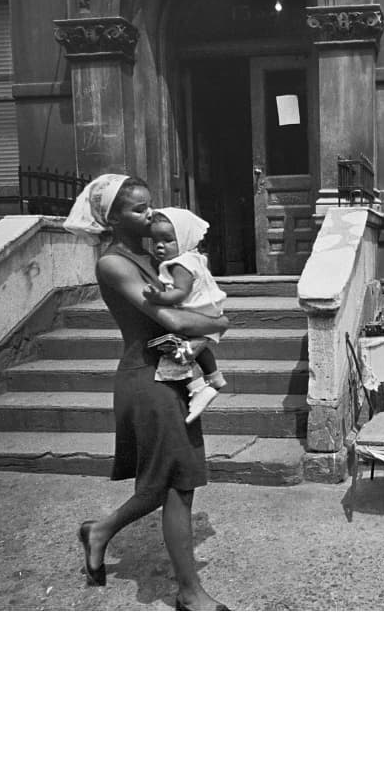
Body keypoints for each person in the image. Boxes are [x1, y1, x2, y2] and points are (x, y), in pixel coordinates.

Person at [63, 173, 231, 610]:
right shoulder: (114, 264)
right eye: (139, 209)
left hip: (174, 373)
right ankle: (190, 594)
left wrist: (206, 325)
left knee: (171, 482)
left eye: (150, 204)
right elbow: (172, 320)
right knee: (177, 484)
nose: (151, 213)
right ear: (113, 218)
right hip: (148, 378)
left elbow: (190, 295)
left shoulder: (158, 252)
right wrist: (219, 323)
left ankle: (99, 531)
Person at [143, 208, 228, 424]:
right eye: (155, 241)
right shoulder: (193, 258)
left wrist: (158, 297)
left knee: (179, 351)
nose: (159, 246)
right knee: (198, 349)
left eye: (168, 240)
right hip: (207, 310)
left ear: (184, 239)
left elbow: (180, 292)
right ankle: (214, 378)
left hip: (193, 312)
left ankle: (198, 388)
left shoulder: (180, 265)